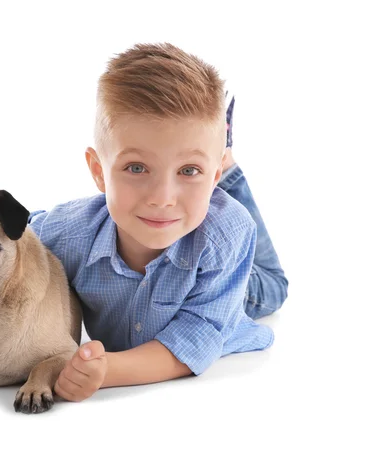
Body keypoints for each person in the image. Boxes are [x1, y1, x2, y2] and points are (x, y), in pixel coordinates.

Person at [27, 43, 288, 403]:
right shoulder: (67, 231)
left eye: (188, 170)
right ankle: (209, 155)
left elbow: (193, 337)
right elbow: (10, 241)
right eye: (136, 168)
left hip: (235, 286)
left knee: (274, 288)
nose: (162, 197)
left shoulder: (226, 237)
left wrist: (108, 371)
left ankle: (224, 162)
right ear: (99, 171)